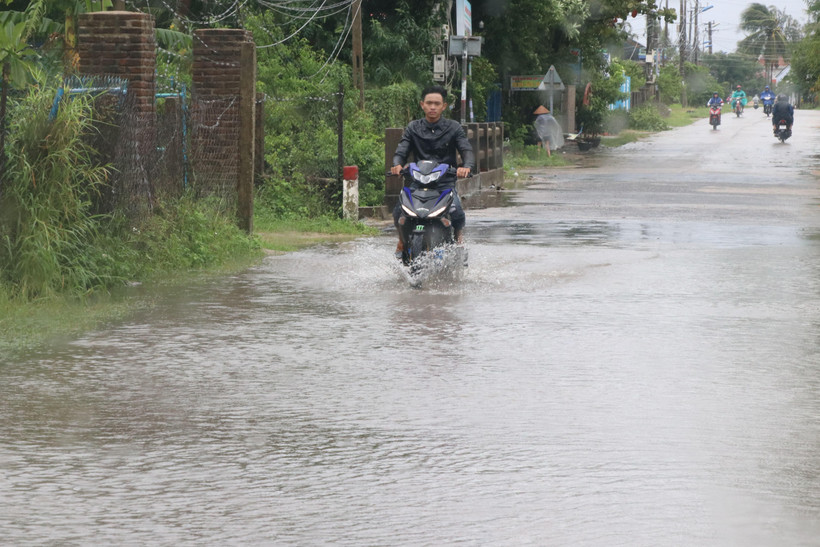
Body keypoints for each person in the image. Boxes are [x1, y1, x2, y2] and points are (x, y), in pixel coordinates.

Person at [390, 85, 474, 255]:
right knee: (398, 210)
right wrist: (397, 164)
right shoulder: (413, 127)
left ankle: (458, 238)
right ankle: (401, 240)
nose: (432, 107)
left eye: (437, 103)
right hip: (418, 181)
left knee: (456, 210)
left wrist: (466, 166)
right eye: (429, 103)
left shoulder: (454, 127)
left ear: (444, 106)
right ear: (422, 105)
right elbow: (401, 150)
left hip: (444, 182)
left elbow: (466, 150)